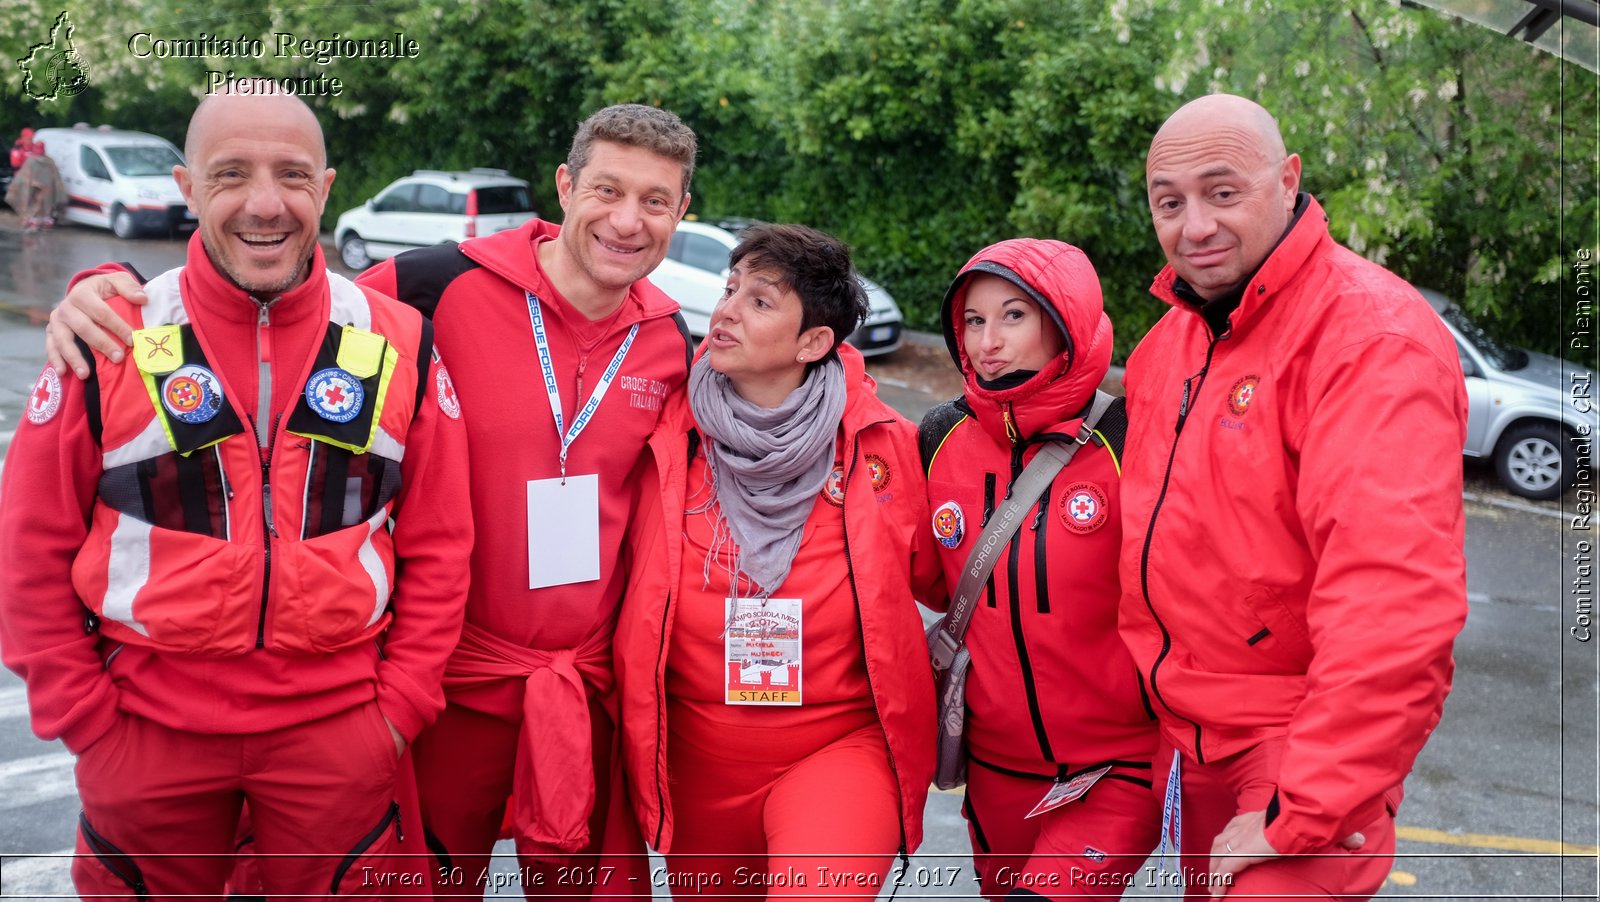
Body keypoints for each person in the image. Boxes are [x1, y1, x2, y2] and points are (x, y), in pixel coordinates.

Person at [46, 102, 698, 899]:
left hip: (581, 689)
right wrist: (102, 291)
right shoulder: (434, 286)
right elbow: (277, 299)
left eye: (655, 202)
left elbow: (773, 399)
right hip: (445, 689)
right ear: (565, 187)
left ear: (682, 214)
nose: (627, 221)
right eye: (606, 190)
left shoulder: (676, 344)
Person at [0, 84, 471, 897]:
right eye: (230, 175)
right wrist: (87, 725)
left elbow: (441, 547)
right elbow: (28, 552)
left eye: (292, 175)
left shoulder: (395, 340)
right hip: (142, 737)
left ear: (326, 190)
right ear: (187, 189)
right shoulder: (115, 333)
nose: (265, 204)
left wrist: (396, 714)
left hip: (340, 737)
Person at [1119, 93, 1469, 900]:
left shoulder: (1368, 339)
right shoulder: (1168, 343)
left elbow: (1392, 600)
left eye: (1223, 192)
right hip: (1184, 740)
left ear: (1288, 179)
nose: (1194, 225)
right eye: (1169, 203)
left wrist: (1302, 807)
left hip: (1295, 748)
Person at [614, 223, 942, 898]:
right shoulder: (665, 436)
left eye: (760, 301)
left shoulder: (885, 447)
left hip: (836, 750)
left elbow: (957, 581)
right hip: (697, 764)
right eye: (731, 288)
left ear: (814, 342)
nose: (726, 308)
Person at [918, 239, 1161, 898]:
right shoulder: (938, 437)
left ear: (1066, 320)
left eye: (1014, 316)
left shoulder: (1132, 435)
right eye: (973, 320)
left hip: (1117, 768)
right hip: (994, 773)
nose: (987, 340)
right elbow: (922, 576)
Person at [5, 140, 67, 230]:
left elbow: (23, 178)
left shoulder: (31, 161)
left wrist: (15, 187)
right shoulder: (50, 161)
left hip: (34, 190)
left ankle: (33, 222)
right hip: (48, 191)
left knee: (33, 206)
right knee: (46, 206)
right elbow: (56, 178)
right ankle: (46, 221)